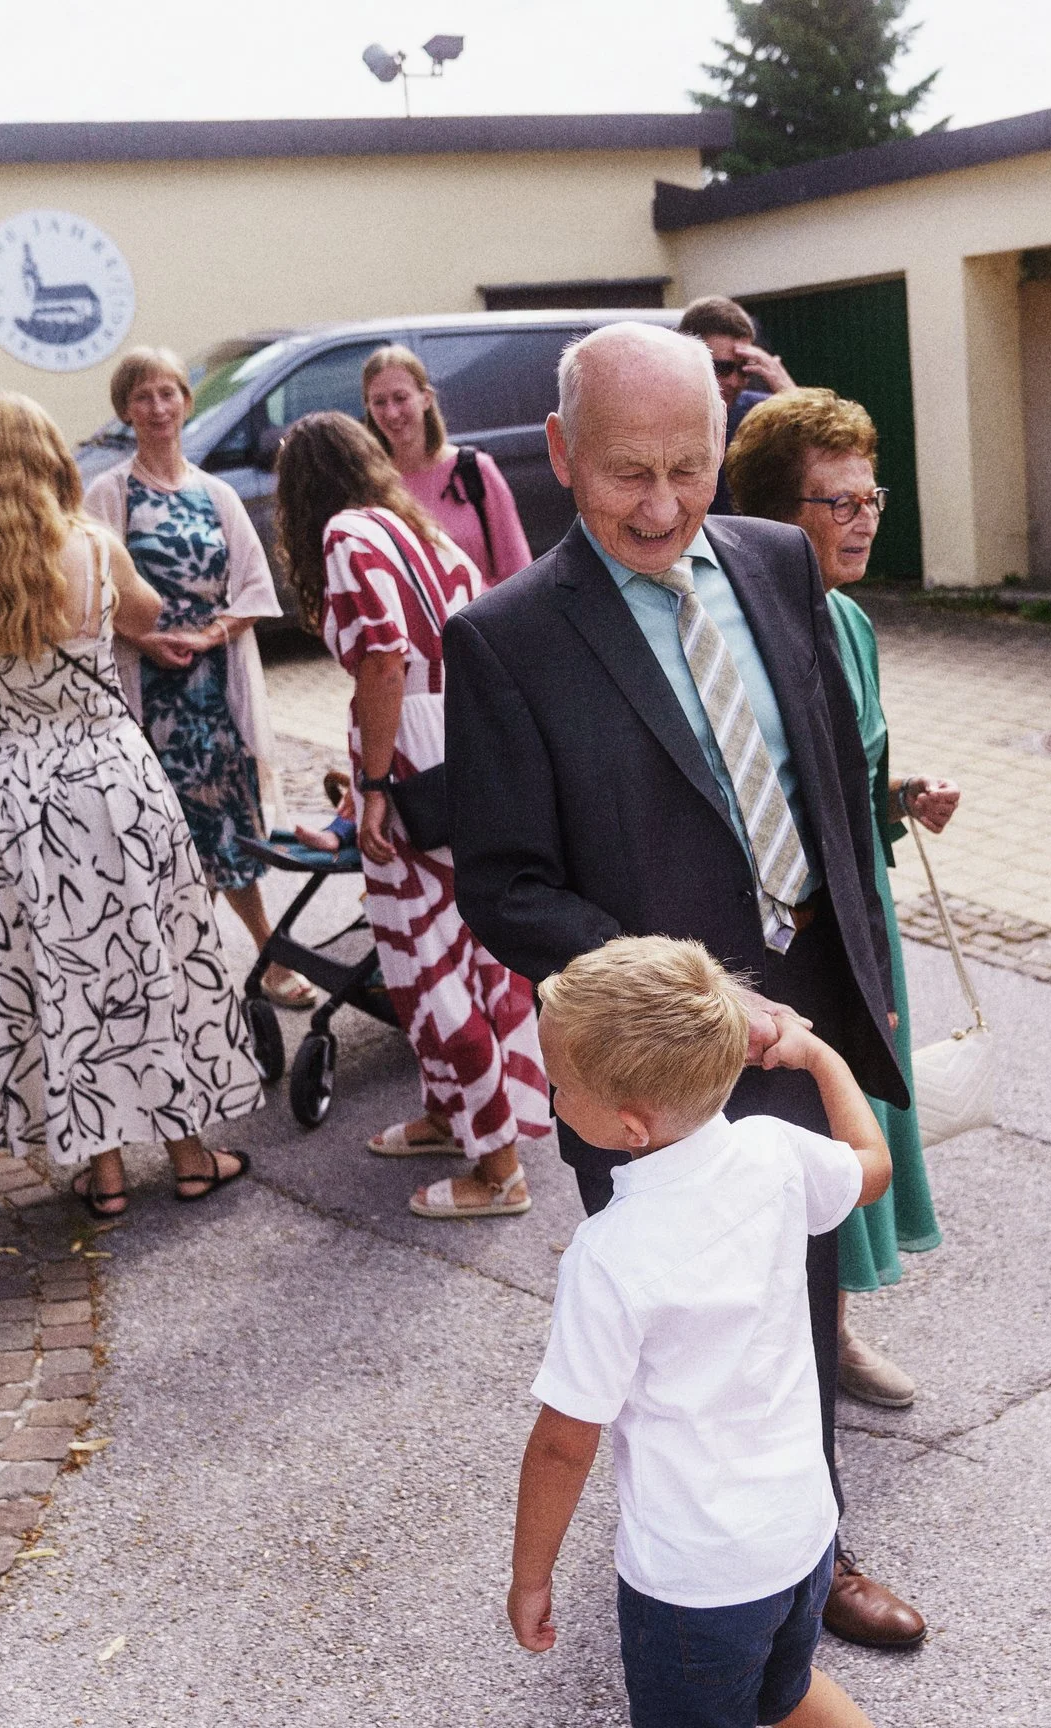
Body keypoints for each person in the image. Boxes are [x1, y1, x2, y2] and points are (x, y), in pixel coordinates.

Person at [446, 321, 927, 1651]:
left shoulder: (778, 559)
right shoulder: (504, 640)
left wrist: (853, 955)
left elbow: (823, 766)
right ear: (558, 455)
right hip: (656, 1057)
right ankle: (693, 1571)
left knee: (804, 1297)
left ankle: (813, 1550)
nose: (661, 507)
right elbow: (507, 884)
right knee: (683, 1336)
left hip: (809, 998)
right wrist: (695, 997)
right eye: (623, 476)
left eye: (690, 469)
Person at [510, 936, 1001, 1728]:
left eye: (559, 1083)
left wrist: (531, 1576)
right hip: (800, 1533)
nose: (551, 1099)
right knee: (788, 1685)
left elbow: (565, 1443)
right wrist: (817, 1054)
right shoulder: (775, 1155)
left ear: (628, 1124)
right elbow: (872, 1161)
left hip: (693, 1577)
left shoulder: (610, 1257)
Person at [0, 392, 260, 1215]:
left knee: (52, 970)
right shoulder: (97, 547)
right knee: (147, 957)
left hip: (9, 791)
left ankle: (100, 1168)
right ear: (51, 457)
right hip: (110, 776)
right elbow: (145, 614)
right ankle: (190, 1153)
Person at [725, 386, 957, 1412]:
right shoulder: (734, 634)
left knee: (847, 1126)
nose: (863, 518)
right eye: (836, 502)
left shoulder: (855, 624)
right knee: (784, 1141)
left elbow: (856, 782)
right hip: (778, 930)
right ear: (779, 515)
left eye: (871, 497)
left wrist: (905, 798)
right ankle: (780, 1352)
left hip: (861, 920)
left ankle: (836, 1328)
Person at [271, 411, 551, 1220]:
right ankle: (449, 1113)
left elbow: (384, 655)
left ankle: (498, 1168)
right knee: (471, 949)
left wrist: (375, 782)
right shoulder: (418, 530)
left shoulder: (345, 539)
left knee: (429, 966)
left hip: (412, 763)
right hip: (465, 751)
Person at [82, 347, 313, 1010]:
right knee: (167, 833)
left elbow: (254, 587)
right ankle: (187, 971)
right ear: (126, 409)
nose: (156, 408)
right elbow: (90, 594)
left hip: (210, 689)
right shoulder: (110, 493)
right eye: (142, 396)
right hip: (149, 694)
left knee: (222, 829)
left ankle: (246, 961)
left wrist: (210, 634)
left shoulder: (214, 494)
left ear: (185, 401)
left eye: (167, 393)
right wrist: (142, 639)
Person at [359, 343, 531, 589]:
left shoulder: (474, 470)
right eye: (379, 402)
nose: (392, 413)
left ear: (426, 398)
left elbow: (517, 570)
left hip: (477, 624)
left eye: (401, 398)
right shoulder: (371, 485)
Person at [677, 296, 793, 511]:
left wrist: (790, 393)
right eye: (722, 368)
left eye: (744, 368)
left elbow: (831, 457)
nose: (734, 381)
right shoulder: (653, 414)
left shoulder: (760, 415)